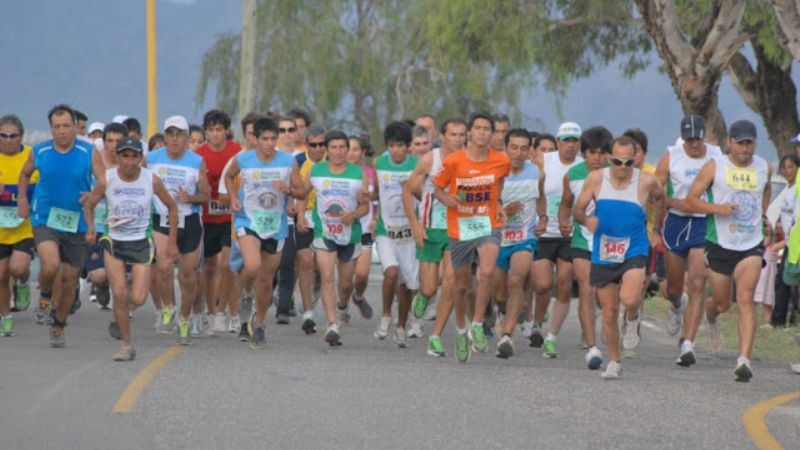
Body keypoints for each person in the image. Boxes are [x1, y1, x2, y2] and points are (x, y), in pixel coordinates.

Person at [685, 120, 770, 382]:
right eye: (740, 142)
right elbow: (691, 199)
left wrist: (763, 214)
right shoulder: (715, 166)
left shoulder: (765, 167)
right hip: (720, 242)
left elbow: (765, 190)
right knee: (722, 302)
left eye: (749, 143)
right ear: (729, 142)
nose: (745, 148)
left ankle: (743, 360)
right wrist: (716, 209)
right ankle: (711, 317)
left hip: (750, 244)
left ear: (755, 143)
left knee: (746, 297)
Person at [574, 136, 663, 379]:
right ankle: (614, 360)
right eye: (617, 161)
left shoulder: (645, 180)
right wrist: (586, 219)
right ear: (609, 158)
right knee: (609, 310)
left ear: (636, 160)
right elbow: (577, 209)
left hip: (634, 247)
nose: (623, 167)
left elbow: (660, 198)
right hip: (604, 250)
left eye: (628, 162)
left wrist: (656, 230)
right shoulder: (596, 179)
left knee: (630, 298)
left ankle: (633, 316)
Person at [17, 104, 106, 347]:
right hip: (45, 217)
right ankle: (45, 295)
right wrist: (23, 200)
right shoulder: (40, 151)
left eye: (67, 126)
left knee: (69, 281)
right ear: (51, 129)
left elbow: (103, 180)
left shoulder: (87, 151)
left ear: (75, 127)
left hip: (75, 222)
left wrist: (93, 197)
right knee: (50, 263)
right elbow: (24, 174)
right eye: (57, 127)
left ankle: (59, 324)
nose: (62, 131)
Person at [83, 137, 178, 360]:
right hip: (113, 240)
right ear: (117, 157)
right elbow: (90, 205)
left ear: (140, 158)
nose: (128, 161)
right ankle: (126, 345)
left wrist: (172, 242)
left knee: (138, 298)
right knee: (119, 293)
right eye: (124, 156)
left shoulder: (151, 180)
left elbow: (172, 208)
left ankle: (124, 303)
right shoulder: (108, 179)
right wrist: (90, 228)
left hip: (141, 243)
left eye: (133, 156)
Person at [433, 111, 510, 362]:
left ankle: (477, 324)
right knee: (462, 285)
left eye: (488, 129)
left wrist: (498, 201)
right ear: (470, 132)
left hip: (488, 223)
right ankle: (460, 329)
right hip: (461, 226)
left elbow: (499, 183)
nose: (482, 133)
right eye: (478, 128)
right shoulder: (454, 161)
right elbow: (437, 189)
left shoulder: (501, 160)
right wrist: (448, 199)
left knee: (487, 272)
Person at [224, 117, 305, 349]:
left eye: (273, 139)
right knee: (252, 266)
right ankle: (246, 294)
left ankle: (259, 325)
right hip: (248, 220)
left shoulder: (288, 162)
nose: (270, 143)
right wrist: (232, 197)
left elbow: (301, 191)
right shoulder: (243, 159)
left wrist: (288, 190)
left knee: (267, 280)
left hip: (275, 225)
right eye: (265, 139)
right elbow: (229, 177)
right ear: (255, 139)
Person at [655, 115, 723, 367]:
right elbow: (656, 190)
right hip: (676, 222)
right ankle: (676, 304)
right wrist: (674, 202)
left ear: (705, 135)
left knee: (696, 282)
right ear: (683, 137)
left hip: (703, 223)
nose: (694, 143)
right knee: (674, 287)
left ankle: (687, 344)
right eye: (689, 138)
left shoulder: (716, 156)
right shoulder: (671, 156)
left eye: (698, 138)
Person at [301, 130, 370, 346]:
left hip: (350, 235)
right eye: (334, 147)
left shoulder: (358, 173)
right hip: (325, 232)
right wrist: (300, 214)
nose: (338, 152)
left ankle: (343, 305)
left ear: (348, 150)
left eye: (342, 147)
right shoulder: (316, 170)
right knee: (327, 275)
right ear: (327, 150)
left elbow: (366, 205)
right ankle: (332, 324)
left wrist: (354, 214)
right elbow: (302, 193)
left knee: (346, 284)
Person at [404, 117, 466, 357]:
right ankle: (423, 297)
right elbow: (407, 190)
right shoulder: (431, 159)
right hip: (431, 227)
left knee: (451, 283)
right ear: (442, 136)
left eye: (462, 135)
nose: (458, 139)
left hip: (458, 229)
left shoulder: (471, 160)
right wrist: (415, 225)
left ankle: (436, 336)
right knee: (430, 288)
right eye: (453, 134)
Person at [145, 115, 210, 345]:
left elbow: (206, 195)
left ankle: (185, 318)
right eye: (170, 134)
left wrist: (190, 197)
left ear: (186, 138)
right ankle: (168, 308)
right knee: (163, 265)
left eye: (180, 135)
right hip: (161, 218)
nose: (175, 139)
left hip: (189, 220)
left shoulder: (196, 161)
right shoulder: (151, 158)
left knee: (188, 277)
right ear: (164, 137)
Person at [558, 126, 613, 368]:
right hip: (582, 240)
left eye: (603, 153)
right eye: (593, 152)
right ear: (585, 153)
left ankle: (599, 323)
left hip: (612, 244)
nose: (598, 158)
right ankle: (591, 347)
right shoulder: (573, 175)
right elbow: (566, 202)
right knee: (587, 290)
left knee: (605, 298)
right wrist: (563, 221)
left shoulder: (618, 174)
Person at [531, 122, 583, 354]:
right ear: (558, 142)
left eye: (575, 141)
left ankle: (551, 337)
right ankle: (537, 325)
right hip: (544, 232)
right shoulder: (544, 161)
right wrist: (538, 217)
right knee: (542, 285)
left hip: (570, 235)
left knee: (564, 282)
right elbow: (532, 191)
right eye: (566, 140)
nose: (570, 145)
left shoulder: (584, 167)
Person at [493, 128, 544, 358]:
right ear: (506, 147)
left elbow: (540, 196)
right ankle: (502, 313)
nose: (518, 152)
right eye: (514, 147)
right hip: (496, 238)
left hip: (525, 235)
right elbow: (482, 206)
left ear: (529, 150)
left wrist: (543, 217)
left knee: (518, 279)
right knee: (501, 294)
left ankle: (507, 336)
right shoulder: (495, 173)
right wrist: (503, 210)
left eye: (524, 148)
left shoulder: (536, 173)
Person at [372, 122, 419, 347]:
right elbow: (373, 191)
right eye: (392, 145)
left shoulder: (417, 164)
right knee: (391, 272)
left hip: (409, 232)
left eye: (400, 145)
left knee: (408, 284)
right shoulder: (379, 163)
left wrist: (410, 187)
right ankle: (385, 316)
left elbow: (424, 194)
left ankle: (401, 326)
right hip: (385, 230)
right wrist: (366, 197)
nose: (396, 150)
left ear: (408, 146)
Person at [195, 110, 240, 334]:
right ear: (206, 132)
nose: (215, 134)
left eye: (219, 130)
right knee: (209, 268)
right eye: (211, 130)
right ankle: (210, 315)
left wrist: (232, 197)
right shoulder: (199, 155)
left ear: (226, 131)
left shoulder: (236, 151)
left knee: (227, 264)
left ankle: (226, 313)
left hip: (230, 217)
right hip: (206, 217)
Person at [85, 123, 129, 316]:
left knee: (125, 275)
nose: (113, 145)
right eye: (109, 141)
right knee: (99, 275)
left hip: (123, 227)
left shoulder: (131, 164)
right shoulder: (94, 161)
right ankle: (101, 286)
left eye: (118, 141)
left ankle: (122, 308)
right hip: (98, 225)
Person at [0, 114, 38, 335]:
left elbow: (41, 188)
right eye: (3, 135)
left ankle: (23, 282)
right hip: (1, 229)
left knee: (17, 268)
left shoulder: (31, 157)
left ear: (21, 137)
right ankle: (5, 316)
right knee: (1, 275)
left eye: (12, 136)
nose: (7, 140)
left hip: (24, 227)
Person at [295, 124, 329, 335]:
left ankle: (315, 290)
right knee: (305, 261)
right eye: (313, 145)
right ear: (306, 144)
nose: (318, 149)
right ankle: (308, 315)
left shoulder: (332, 162)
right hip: (305, 214)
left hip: (326, 219)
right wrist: (298, 215)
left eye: (321, 145)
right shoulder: (298, 162)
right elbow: (297, 191)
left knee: (319, 267)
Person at [345, 135, 376, 326]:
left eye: (355, 149)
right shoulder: (339, 172)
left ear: (363, 152)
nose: (350, 153)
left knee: (362, 274)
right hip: (344, 230)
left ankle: (358, 296)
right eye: (348, 149)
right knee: (345, 277)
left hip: (364, 229)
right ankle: (343, 309)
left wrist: (376, 218)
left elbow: (380, 199)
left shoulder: (372, 174)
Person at [771, 154, 799, 327]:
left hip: (796, 242)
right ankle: (779, 320)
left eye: (792, 167)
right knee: (783, 281)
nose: (788, 171)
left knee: (787, 280)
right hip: (789, 242)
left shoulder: (798, 188)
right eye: (785, 167)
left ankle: (784, 319)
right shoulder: (787, 190)